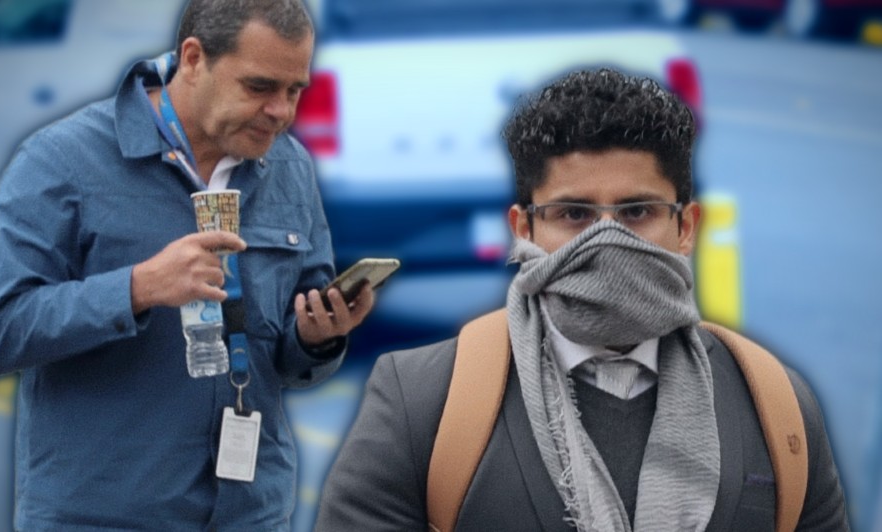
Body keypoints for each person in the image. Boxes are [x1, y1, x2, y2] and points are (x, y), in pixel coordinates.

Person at [315, 68, 849, 530]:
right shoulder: (421, 401)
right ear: (523, 228)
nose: (606, 238)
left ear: (685, 227)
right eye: (574, 215)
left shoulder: (775, 405)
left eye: (637, 212)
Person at [0, 0, 374, 529]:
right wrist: (136, 288)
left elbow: (290, 356)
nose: (282, 112)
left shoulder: (289, 168)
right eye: (260, 87)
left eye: (295, 90)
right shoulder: (59, 161)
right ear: (193, 59)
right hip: (103, 517)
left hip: (251, 514)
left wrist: (320, 338)